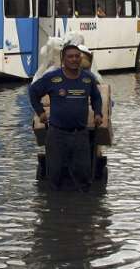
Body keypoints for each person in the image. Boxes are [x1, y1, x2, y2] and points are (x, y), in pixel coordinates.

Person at [29, 44, 103, 192]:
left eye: (77, 56)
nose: (74, 59)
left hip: (80, 135)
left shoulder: (88, 79)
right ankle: (55, 210)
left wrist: (98, 113)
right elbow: (33, 92)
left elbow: (96, 97)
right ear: (63, 60)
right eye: (70, 56)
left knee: (83, 176)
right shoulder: (52, 78)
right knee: (54, 176)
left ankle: (82, 210)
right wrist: (40, 112)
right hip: (57, 135)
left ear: (81, 59)